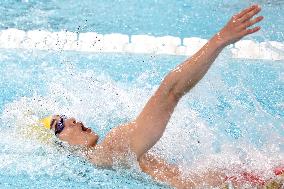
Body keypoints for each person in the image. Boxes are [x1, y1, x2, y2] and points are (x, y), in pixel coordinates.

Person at [39, 5, 281, 189]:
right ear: (60, 145)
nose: (72, 119)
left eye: (67, 116)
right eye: (60, 124)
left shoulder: (110, 161)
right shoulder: (113, 147)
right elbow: (170, 92)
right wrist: (220, 40)